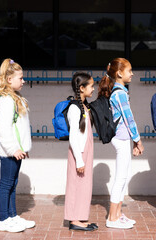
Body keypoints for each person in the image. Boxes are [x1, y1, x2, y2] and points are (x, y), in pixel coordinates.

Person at [98, 58, 144, 229]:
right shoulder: (120, 93)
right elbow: (128, 119)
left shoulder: (118, 91)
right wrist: (138, 141)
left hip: (122, 138)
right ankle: (112, 218)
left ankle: (117, 214)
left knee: (123, 177)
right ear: (119, 73)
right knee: (121, 178)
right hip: (122, 138)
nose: (132, 73)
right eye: (129, 70)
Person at [0, 58, 35, 233]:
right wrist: (13, 149)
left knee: (12, 184)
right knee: (6, 184)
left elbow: (20, 128)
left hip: (17, 151)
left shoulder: (16, 98)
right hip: (9, 152)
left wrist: (22, 148)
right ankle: (3, 219)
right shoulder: (6, 100)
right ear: (9, 79)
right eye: (21, 77)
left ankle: (12, 216)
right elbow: (3, 129)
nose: (24, 81)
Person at [64, 72, 98, 231]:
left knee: (84, 186)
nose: (93, 88)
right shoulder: (74, 107)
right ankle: (74, 219)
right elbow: (73, 137)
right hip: (80, 152)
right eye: (91, 85)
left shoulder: (85, 105)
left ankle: (81, 217)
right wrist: (79, 159)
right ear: (82, 88)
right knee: (76, 185)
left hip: (86, 151)